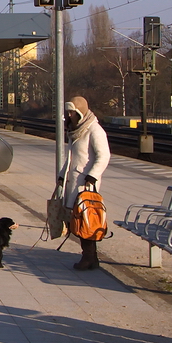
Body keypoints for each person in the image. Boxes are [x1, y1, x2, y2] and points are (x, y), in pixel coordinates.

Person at [61, 95, 111, 270]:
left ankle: (89, 257)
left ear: (80, 113)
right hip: (73, 182)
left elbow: (104, 155)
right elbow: (71, 158)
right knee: (76, 219)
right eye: (68, 111)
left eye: (72, 112)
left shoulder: (94, 130)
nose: (68, 115)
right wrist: (62, 175)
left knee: (86, 220)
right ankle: (91, 257)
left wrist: (93, 175)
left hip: (86, 184)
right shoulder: (75, 131)